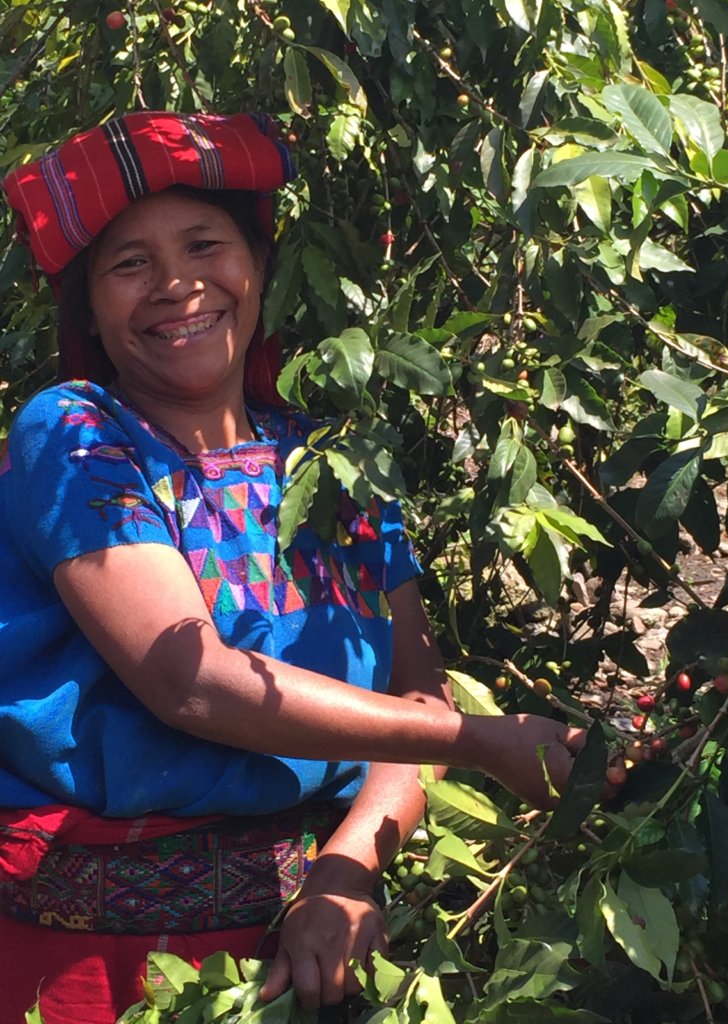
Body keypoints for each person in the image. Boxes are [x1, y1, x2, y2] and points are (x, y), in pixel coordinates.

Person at [0, 111, 612, 1024]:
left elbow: (418, 695)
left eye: (205, 243)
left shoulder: (337, 465)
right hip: (87, 963)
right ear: (88, 308)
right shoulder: (79, 430)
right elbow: (191, 679)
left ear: (257, 265)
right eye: (129, 265)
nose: (176, 284)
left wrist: (349, 867)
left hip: (300, 948)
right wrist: (479, 743)